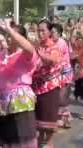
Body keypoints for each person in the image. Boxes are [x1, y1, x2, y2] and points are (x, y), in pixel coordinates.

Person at [0, 21, 39, 148]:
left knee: (21, 140)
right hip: (3, 101)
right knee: (8, 139)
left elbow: (29, 48)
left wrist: (9, 29)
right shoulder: (2, 54)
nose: (8, 36)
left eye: (11, 34)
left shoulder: (25, 55)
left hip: (20, 101)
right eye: (7, 34)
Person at [32, 19, 63, 147]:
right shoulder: (38, 45)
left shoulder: (54, 46)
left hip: (50, 88)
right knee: (39, 119)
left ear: (50, 32)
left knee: (49, 119)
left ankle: (49, 143)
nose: (40, 33)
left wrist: (39, 52)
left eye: (43, 30)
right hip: (36, 87)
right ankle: (40, 142)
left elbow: (52, 60)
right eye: (38, 30)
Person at [51, 23, 74, 129]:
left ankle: (67, 117)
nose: (51, 34)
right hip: (56, 73)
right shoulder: (52, 42)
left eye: (53, 32)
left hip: (64, 73)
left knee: (62, 97)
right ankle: (61, 118)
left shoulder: (61, 43)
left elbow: (60, 60)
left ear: (59, 33)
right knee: (58, 97)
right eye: (50, 32)